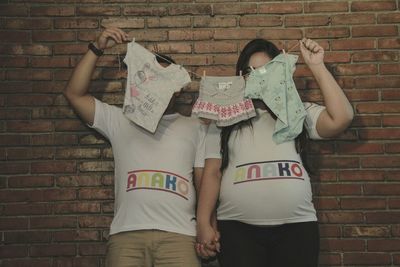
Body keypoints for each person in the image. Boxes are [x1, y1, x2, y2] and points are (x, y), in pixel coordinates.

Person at [196, 38, 354, 267]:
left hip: (297, 229)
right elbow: (212, 173)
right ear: (241, 76)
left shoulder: (297, 112)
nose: (257, 77)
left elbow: (342, 118)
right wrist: (203, 223)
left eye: (265, 70)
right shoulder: (223, 119)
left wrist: (316, 65)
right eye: (250, 71)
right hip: (237, 230)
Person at [63, 27, 206, 267]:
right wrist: (97, 47)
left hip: (180, 236)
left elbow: (205, 183)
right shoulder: (121, 120)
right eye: (153, 79)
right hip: (127, 235)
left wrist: (206, 227)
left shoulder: (196, 126)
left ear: (178, 88)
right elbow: (75, 94)